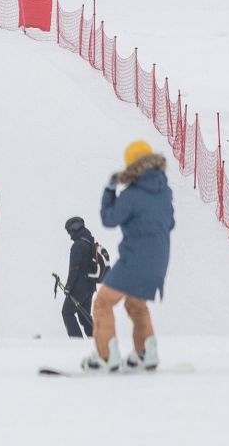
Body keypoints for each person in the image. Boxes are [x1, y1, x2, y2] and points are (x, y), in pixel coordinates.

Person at [86, 140, 173, 372]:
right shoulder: (164, 191)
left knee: (103, 302)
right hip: (160, 260)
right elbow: (170, 222)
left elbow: (109, 219)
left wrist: (109, 190)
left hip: (134, 259)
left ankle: (105, 356)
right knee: (135, 303)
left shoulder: (132, 195)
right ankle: (146, 352)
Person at [60, 216, 107, 338]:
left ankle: (77, 343)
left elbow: (74, 268)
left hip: (79, 288)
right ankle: (96, 341)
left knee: (67, 312)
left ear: (74, 228)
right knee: (84, 316)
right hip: (90, 287)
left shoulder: (78, 246)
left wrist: (68, 287)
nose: (69, 235)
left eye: (69, 231)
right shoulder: (89, 243)